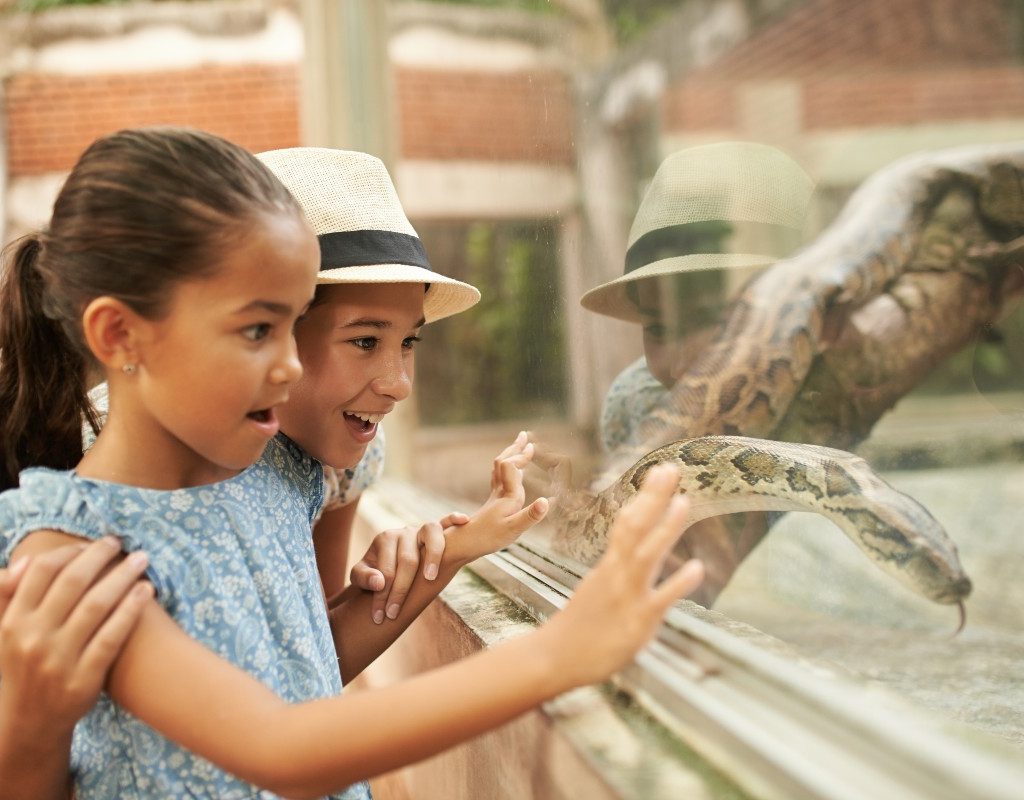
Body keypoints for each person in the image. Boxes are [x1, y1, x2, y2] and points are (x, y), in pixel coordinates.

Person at [0, 127, 705, 799]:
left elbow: (300, 675)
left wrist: (451, 553)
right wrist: (557, 655)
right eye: (258, 330)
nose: (286, 365)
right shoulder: (74, 548)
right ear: (121, 334)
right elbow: (279, 747)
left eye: (290, 328)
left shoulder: (285, 474)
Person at [576, 141, 814, 604]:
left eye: (715, 322)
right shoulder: (637, 405)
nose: (683, 365)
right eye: (659, 327)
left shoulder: (841, 404)